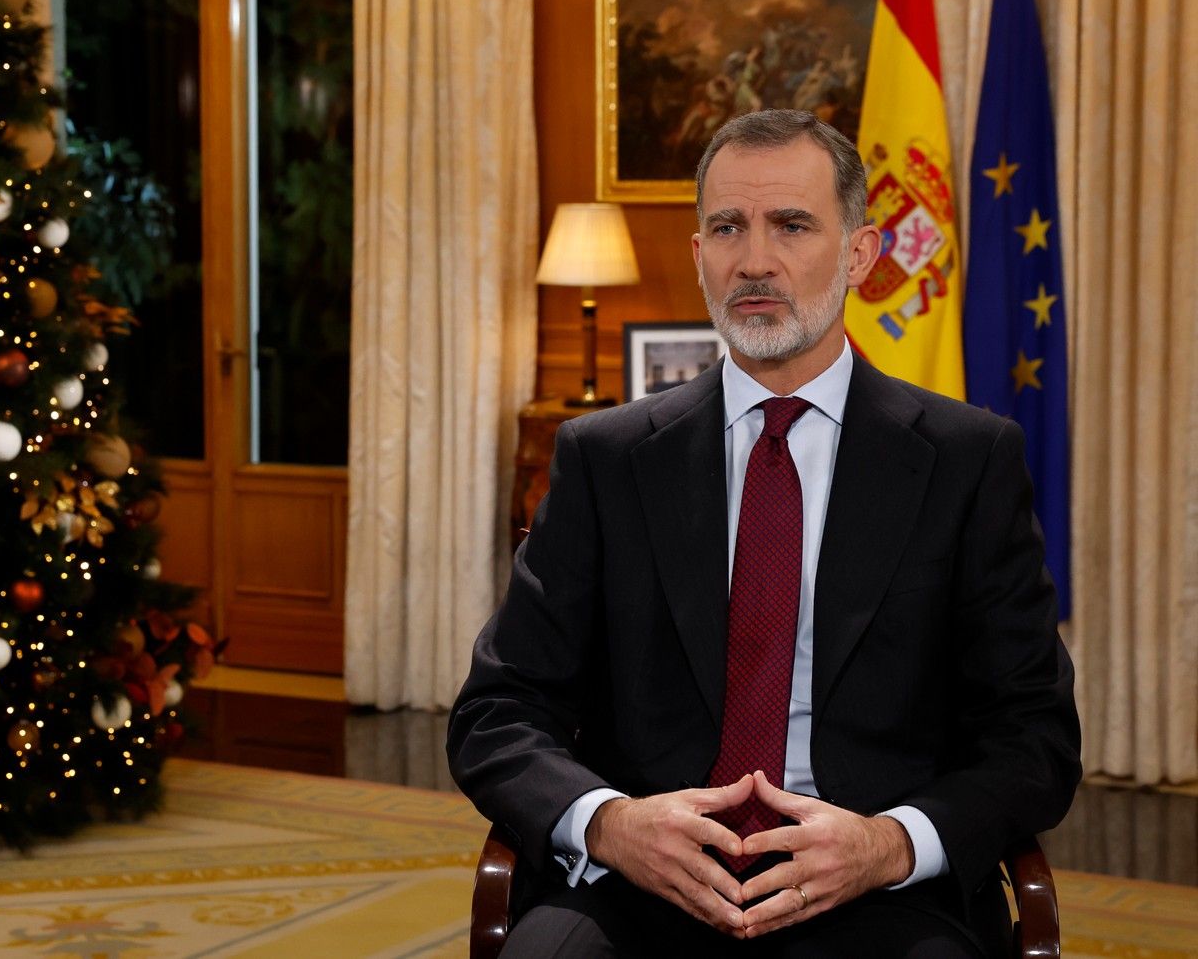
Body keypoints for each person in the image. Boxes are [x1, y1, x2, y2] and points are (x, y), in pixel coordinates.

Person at [447, 110, 1081, 957]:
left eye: (791, 225)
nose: (754, 260)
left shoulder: (967, 461)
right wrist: (611, 824)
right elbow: (498, 710)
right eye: (727, 228)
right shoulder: (605, 458)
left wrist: (888, 844)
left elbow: (1035, 736)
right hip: (646, 877)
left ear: (860, 252)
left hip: (871, 886)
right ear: (698, 253)